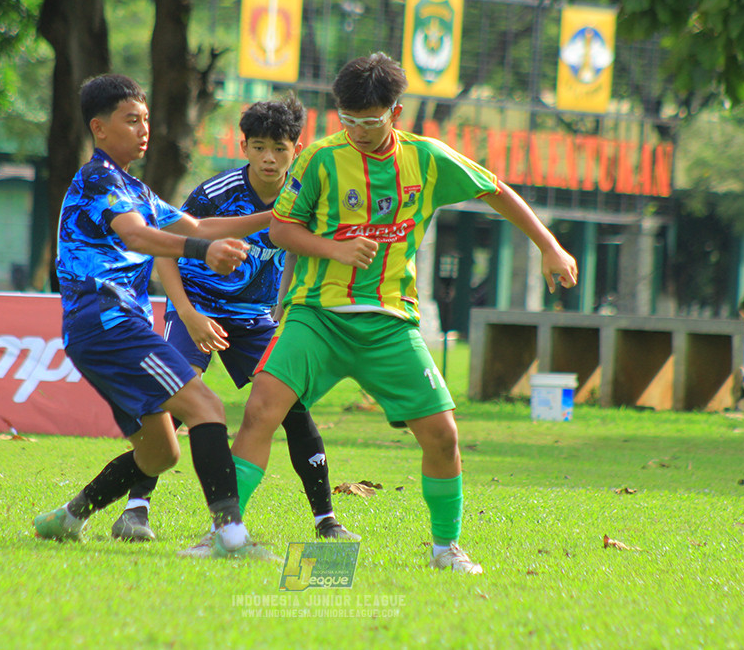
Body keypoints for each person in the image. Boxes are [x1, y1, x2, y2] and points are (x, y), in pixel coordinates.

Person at [228, 53, 579, 573]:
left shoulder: (428, 158)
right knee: (261, 410)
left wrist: (549, 246)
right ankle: (227, 532)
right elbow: (281, 229)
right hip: (317, 313)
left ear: (396, 111)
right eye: (348, 120)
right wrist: (335, 250)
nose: (359, 131)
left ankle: (445, 548)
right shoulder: (319, 158)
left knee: (443, 434)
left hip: (391, 320)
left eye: (370, 120)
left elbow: (497, 192)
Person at [32, 73, 271, 558]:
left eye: (145, 119)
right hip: (109, 322)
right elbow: (139, 237)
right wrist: (204, 251)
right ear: (99, 129)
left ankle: (68, 517)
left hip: (102, 331)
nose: (144, 129)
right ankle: (231, 537)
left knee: (161, 452)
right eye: (131, 120)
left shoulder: (133, 187)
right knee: (207, 409)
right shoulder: (100, 179)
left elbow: (199, 224)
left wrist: (278, 216)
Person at [109, 95, 359, 549]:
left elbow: (301, 254)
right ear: (243, 146)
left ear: (295, 150)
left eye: (280, 148)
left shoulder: (305, 197)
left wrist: (284, 313)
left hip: (254, 319)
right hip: (196, 309)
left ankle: (326, 520)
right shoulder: (214, 195)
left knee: (293, 410)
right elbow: (164, 247)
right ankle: (135, 509)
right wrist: (188, 314)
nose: (269, 157)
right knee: (170, 404)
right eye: (259, 146)